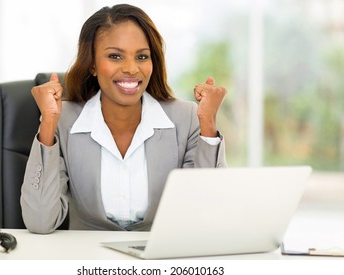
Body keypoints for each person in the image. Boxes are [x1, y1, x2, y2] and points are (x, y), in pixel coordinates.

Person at [20, 3, 227, 234]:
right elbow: (39, 222)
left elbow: (209, 214)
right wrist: (48, 122)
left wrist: (208, 124)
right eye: (115, 56)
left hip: (160, 260)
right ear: (92, 65)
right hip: (87, 260)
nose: (131, 68)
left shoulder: (186, 118)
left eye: (141, 56)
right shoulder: (64, 120)